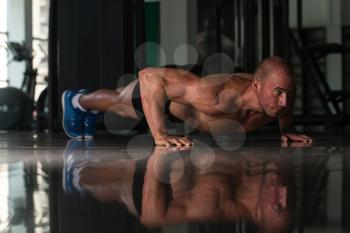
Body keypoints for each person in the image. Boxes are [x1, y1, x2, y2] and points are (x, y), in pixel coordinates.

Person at [62, 56, 313, 146]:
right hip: (175, 96)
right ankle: (77, 101)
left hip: (196, 89)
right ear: (257, 86)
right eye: (278, 93)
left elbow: (284, 105)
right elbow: (148, 77)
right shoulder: (220, 97)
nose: (284, 102)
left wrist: (287, 129)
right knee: (123, 103)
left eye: (288, 94)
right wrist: (159, 135)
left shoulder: (278, 97)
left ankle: (88, 108)